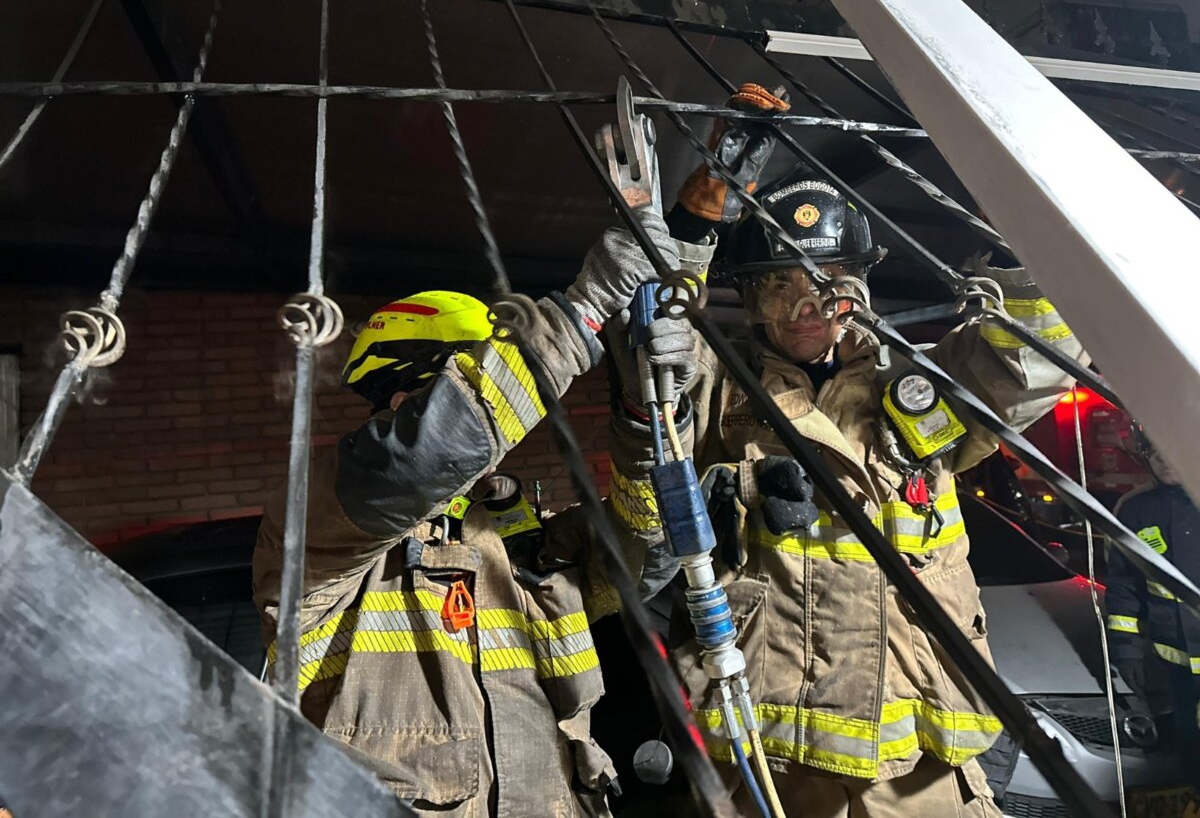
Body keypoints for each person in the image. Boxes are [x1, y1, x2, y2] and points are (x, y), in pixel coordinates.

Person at [604, 83, 1088, 815]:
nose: (803, 308)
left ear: (856, 288)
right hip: (774, 761)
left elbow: (1032, 361)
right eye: (776, 288)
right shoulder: (719, 395)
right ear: (748, 298)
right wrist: (693, 225)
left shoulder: (923, 387)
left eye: (824, 284)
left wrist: (1018, 221)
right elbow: (650, 343)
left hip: (922, 768)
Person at [253, 175, 679, 815]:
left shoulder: (512, 538)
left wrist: (647, 411)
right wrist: (583, 313)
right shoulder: (323, 516)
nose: (505, 415)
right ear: (404, 401)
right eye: (473, 380)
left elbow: (649, 551)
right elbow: (424, 459)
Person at [1105, 424, 1200, 793]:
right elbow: (1124, 585)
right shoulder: (1135, 509)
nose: (1165, 463)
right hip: (1175, 664)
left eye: (1172, 452)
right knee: (1189, 751)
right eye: (1156, 454)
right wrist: (1126, 651)